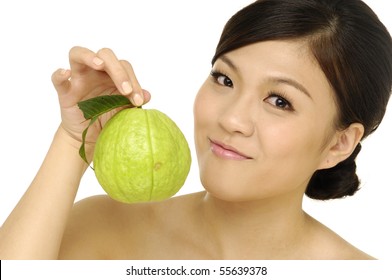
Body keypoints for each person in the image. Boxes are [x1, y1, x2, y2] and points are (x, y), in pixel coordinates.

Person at [0, 0, 391, 260]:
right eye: (224, 79)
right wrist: (73, 139)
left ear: (339, 144)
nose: (231, 119)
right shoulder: (104, 225)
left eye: (279, 101)